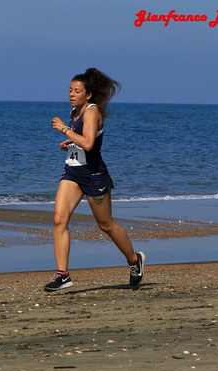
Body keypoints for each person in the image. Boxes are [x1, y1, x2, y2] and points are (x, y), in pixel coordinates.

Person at [46, 68, 145, 292]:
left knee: (106, 224)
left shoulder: (91, 112)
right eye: (70, 90)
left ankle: (133, 259)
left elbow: (89, 143)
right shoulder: (75, 111)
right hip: (73, 172)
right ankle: (63, 275)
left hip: (93, 174)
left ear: (88, 95)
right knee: (59, 220)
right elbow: (82, 142)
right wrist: (70, 144)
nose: (71, 94)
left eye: (77, 91)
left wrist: (64, 130)